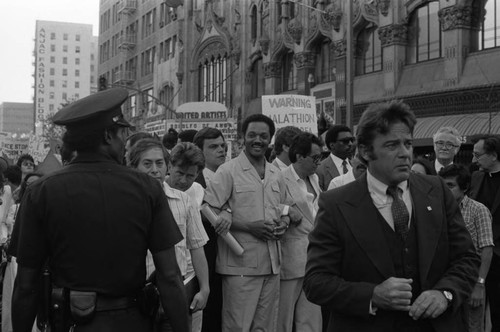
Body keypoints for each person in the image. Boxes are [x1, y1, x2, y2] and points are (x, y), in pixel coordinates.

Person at [9, 88, 189, 332]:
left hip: (70, 323)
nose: (124, 141)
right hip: (131, 323)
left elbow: (26, 285)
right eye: (121, 134)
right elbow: (170, 277)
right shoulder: (147, 188)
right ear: (107, 136)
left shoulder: (41, 191)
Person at [304, 100, 480, 332]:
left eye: (407, 143)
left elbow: (466, 258)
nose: (405, 154)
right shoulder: (336, 203)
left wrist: (445, 294)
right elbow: (316, 281)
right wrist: (372, 295)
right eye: (391, 145)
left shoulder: (436, 191)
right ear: (366, 151)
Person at [204, 114, 291, 332]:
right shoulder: (228, 171)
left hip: (272, 264)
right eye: (252, 135)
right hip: (240, 266)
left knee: (265, 328)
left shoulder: (275, 173)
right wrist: (245, 225)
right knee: (238, 327)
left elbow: (285, 207)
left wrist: (285, 222)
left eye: (263, 136)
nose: (257, 140)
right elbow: (207, 209)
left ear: (270, 139)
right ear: (243, 138)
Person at [130, 139, 210, 332]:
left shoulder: (184, 201)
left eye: (159, 163)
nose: (155, 170)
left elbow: (197, 246)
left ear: (167, 166)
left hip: (175, 294)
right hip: (136, 297)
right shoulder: (124, 203)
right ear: (134, 167)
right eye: (147, 164)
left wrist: (205, 288)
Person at [439, 164, 494, 332]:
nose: (445, 190)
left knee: (473, 327)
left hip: (471, 282)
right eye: (442, 185)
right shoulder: (436, 209)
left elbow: (487, 248)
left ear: (464, 188)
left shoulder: (478, 210)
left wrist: (480, 284)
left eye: (450, 185)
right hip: (445, 282)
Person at [278, 132, 323, 332]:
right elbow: (265, 205)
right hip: (290, 259)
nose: (318, 162)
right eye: (315, 158)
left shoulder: (315, 179)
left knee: (311, 318)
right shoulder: (278, 178)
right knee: (283, 318)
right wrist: (287, 210)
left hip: (315, 260)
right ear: (299, 156)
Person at [192, 127, 227, 332]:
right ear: (200, 151)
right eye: (213, 146)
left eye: (223, 146)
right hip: (204, 257)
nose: (221, 150)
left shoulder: (230, 175)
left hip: (229, 258)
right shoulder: (193, 181)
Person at [2, 172, 42, 332]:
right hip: (17, 261)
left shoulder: (48, 209)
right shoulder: (15, 207)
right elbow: (6, 227)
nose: (32, 187)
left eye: (36, 184)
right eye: (29, 184)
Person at [469, 135, 500, 332]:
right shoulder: (476, 177)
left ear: (494, 156)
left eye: (478, 155)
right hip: (474, 255)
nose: (474, 160)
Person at [316, 125, 354, 191]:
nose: (350, 144)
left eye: (352, 140)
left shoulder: (356, 166)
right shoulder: (319, 170)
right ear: (332, 145)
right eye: (345, 141)